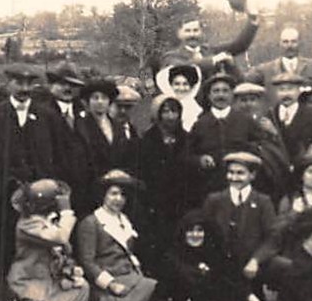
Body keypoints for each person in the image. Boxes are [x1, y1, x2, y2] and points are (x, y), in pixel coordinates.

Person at [0, 63, 60, 301]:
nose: (23, 89)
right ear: (8, 84)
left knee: (36, 254)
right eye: (18, 83)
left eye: (28, 83)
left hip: (39, 201)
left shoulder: (46, 116)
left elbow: (58, 155)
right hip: (3, 199)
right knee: (2, 252)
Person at [4, 179, 91, 301]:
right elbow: (60, 238)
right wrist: (66, 212)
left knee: (81, 287)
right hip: (28, 283)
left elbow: (64, 249)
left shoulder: (46, 220)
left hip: (49, 283)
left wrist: (69, 270)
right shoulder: (27, 224)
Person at [172, 211, 275, 301]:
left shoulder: (215, 254)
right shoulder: (178, 257)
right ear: (184, 233)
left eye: (199, 231)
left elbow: (237, 286)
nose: (195, 235)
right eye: (190, 231)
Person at [75, 170, 158, 301]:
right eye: (113, 194)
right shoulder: (91, 222)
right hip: (109, 279)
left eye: (122, 195)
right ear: (103, 195)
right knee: (150, 288)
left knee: (154, 286)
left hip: (130, 276)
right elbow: (87, 261)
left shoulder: (124, 221)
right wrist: (111, 284)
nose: (118, 199)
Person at [199, 151, 281, 282]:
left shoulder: (263, 202)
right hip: (219, 266)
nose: (234, 177)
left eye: (240, 173)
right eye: (231, 172)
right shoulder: (214, 200)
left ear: (252, 175)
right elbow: (204, 232)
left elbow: (272, 237)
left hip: (250, 268)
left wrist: (256, 260)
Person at [137, 94, 200, 245]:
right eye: (165, 112)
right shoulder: (147, 139)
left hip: (181, 199)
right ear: (157, 114)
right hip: (155, 200)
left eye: (174, 111)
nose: (170, 116)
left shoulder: (186, 138)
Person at [159, 0, 261, 74]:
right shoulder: (171, 56)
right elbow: (181, 68)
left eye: (195, 30)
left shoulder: (211, 51)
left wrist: (253, 20)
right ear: (179, 34)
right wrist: (213, 60)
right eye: (187, 31)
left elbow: (240, 45)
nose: (192, 35)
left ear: (201, 32)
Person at [189, 72, 260, 188]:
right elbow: (188, 153)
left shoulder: (245, 121)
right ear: (209, 95)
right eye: (216, 91)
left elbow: (259, 146)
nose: (220, 95)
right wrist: (200, 159)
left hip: (242, 184)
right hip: (210, 186)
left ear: (232, 94)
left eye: (225, 91)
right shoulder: (200, 124)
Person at [71, 77, 128, 214]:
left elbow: (125, 153)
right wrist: (103, 176)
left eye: (104, 98)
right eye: (95, 98)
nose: (100, 102)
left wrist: (119, 172)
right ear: (88, 102)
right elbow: (80, 160)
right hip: (91, 187)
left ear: (109, 102)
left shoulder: (117, 126)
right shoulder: (80, 126)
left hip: (116, 186)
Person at [43, 62, 89, 197]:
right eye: (62, 84)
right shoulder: (43, 114)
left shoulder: (83, 113)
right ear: (51, 85)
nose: (68, 88)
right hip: (56, 186)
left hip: (83, 187)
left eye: (73, 85)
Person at [266, 71, 312, 166]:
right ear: (276, 92)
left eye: (290, 89)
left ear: (298, 91)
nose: (286, 94)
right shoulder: (269, 116)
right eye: (281, 90)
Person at [248, 25, 312, 86]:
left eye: (293, 41)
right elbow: (242, 80)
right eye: (285, 42)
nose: (289, 45)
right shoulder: (266, 69)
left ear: (299, 43)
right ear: (280, 44)